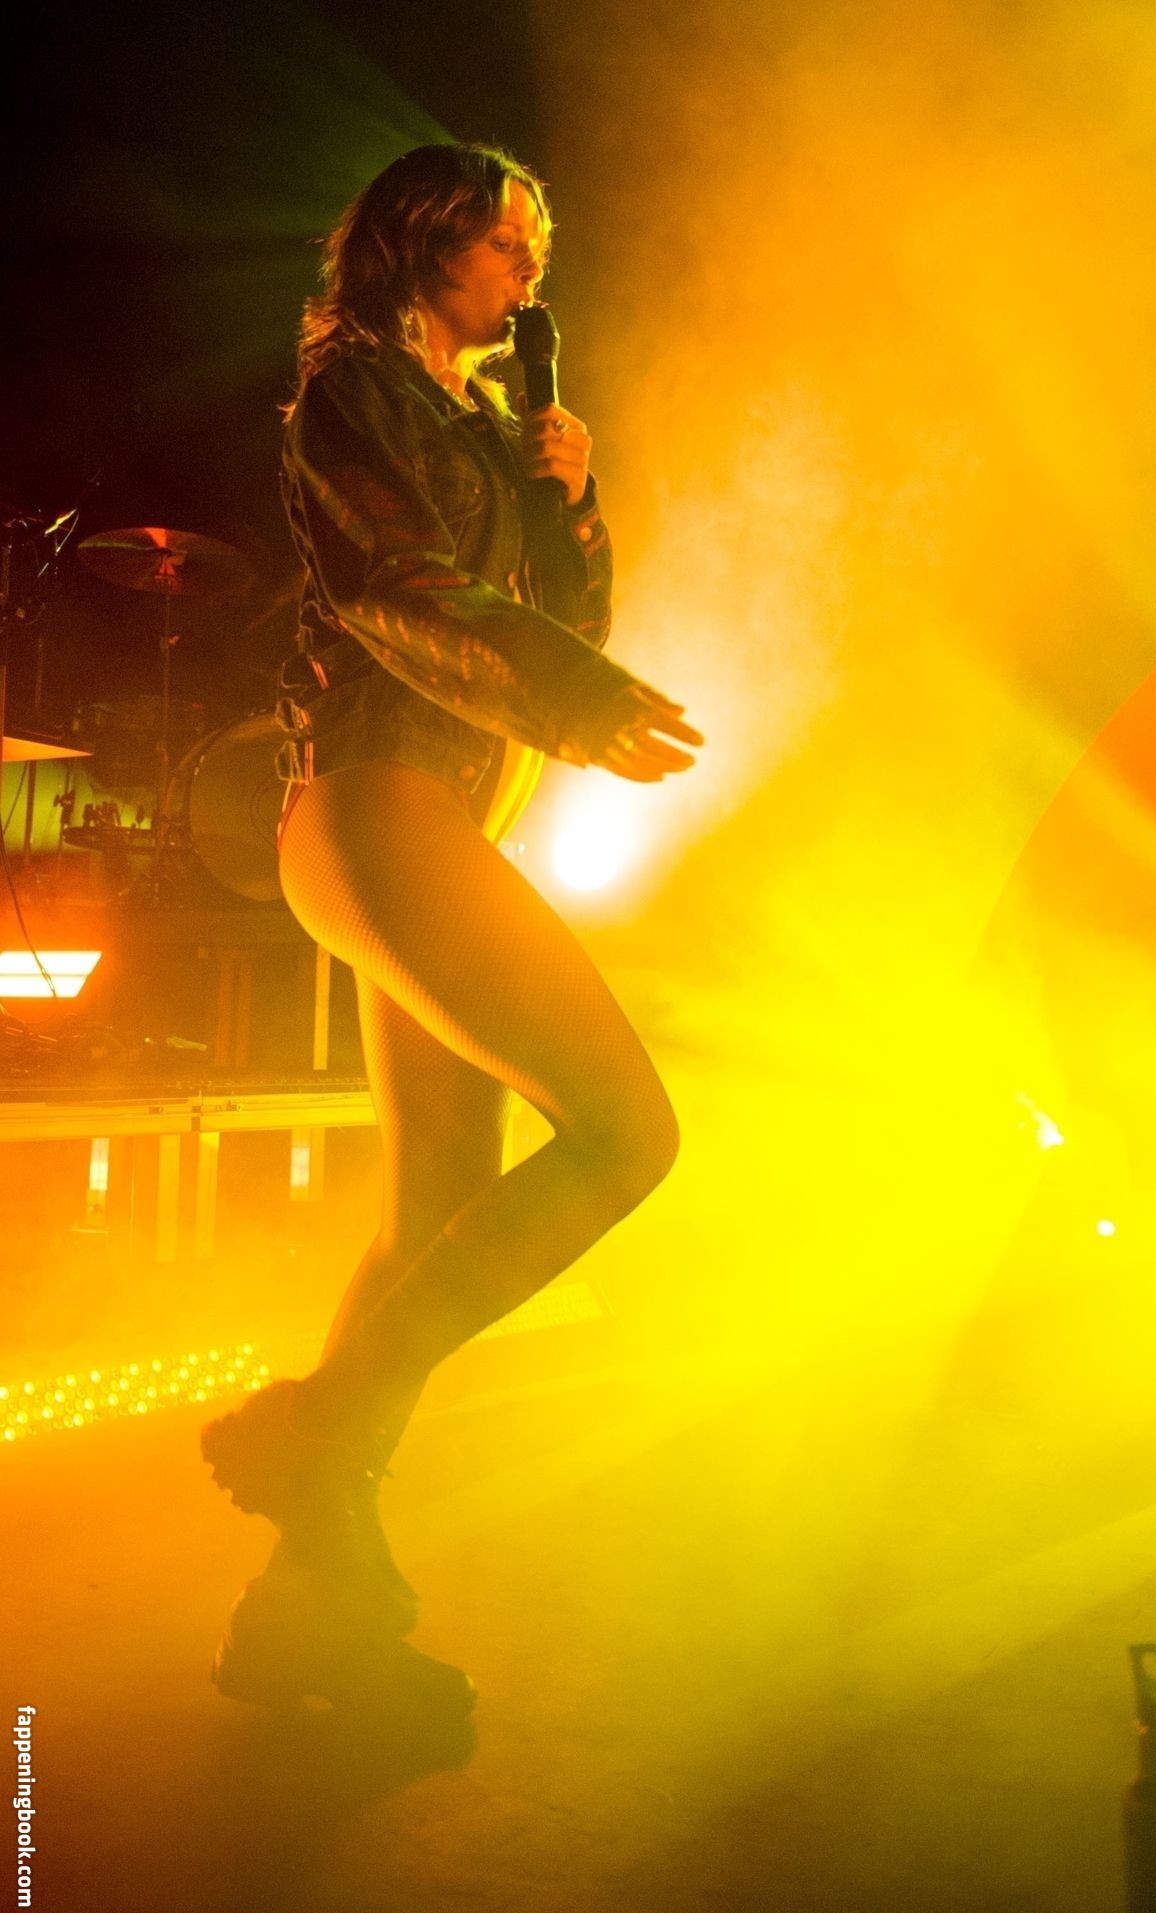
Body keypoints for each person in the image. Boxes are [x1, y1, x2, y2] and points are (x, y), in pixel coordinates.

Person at [200, 142, 702, 1713]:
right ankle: (319, 1425)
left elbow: (555, 624)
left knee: (433, 1209)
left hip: (424, 820)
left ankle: (304, 1607)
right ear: (421, 244)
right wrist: (574, 696)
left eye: (533, 246)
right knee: (625, 1134)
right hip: (375, 805)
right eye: (501, 242)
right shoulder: (352, 391)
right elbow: (390, 586)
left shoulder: (482, 426)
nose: (527, 272)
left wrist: (571, 501)